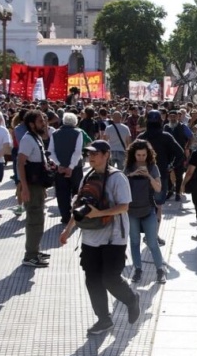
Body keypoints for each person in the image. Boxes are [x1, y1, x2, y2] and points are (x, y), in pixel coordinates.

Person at [59, 140, 140, 336]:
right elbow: (79, 206)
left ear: (106, 155)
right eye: (89, 154)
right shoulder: (87, 176)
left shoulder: (118, 178)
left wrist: (98, 214)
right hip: (90, 238)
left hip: (114, 238)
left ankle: (131, 299)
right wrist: (68, 230)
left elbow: (124, 206)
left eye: (95, 154)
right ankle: (103, 320)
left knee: (110, 279)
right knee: (92, 280)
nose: (91, 157)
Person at [124, 140, 165, 284]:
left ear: (148, 155)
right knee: (134, 242)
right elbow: (121, 186)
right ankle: (137, 269)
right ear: (133, 155)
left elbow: (158, 188)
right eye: (138, 155)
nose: (141, 158)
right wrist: (132, 174)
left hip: (148, 210)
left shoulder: (153, 167)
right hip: (132, 212)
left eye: (143, 155)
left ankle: (160, 270)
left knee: (152, 242)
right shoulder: (128, 168)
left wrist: (148, 176)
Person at [17, 110, 52, 268]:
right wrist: (24, 187)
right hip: (31, 186)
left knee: (38, 219)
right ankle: (30, 255)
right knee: (34, 220)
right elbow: (20, 163)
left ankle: (35, 250)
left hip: (37, 185)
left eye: (44, 120)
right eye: (40, 121)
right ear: (31, 124)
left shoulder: (35, 137)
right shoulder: (27, 140)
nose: (44, 124)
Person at [49, 112, 85, 224]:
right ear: (75, 122)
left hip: (60, 169)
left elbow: (51, 152)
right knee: (77, 192)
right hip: (76, 168)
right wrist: (70, 167)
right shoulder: (78, 133)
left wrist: (59, 164)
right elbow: (77, 151)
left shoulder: (55, 133)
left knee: (62, 193)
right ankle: (76, 216)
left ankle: (65, 217)